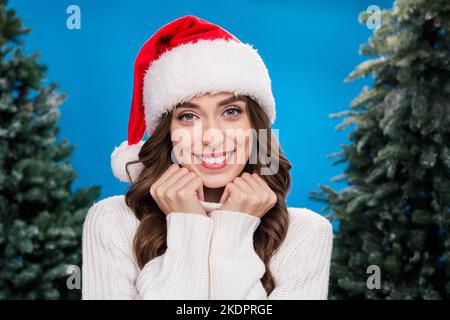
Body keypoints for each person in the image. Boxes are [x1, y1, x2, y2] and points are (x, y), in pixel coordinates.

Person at [82, 15, 333, 300]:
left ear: (256, 128)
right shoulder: (113, 223)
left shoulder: (307, 234)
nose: (212, 136)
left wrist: (233, 226)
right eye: (188, 116)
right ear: (168, 134)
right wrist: (186, 223)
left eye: (231, 112)